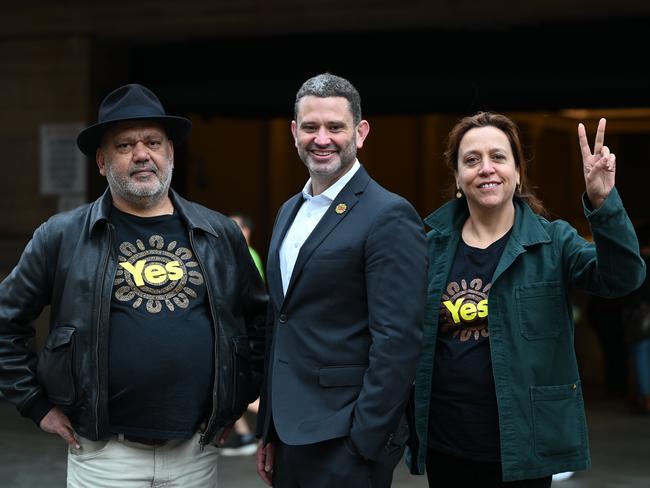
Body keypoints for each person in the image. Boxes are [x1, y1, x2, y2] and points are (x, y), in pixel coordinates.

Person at [0, 83, 267, 487]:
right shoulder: (63, 235)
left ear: (170, 153)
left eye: (153, 142)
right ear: (103, 163)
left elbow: (262, 323)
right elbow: (5, 321)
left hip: (195, 452)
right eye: (124, 146)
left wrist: (235, 404)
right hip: (105, 455)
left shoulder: (218, 232)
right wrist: (36, 404)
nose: (142, 154)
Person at [408, 112, 646, 486]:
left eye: (498, 157)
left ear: (518, 172)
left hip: (525, 446)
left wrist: (604, 203)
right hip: (446, 442)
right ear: (456, 177)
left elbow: (623, 278)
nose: (486, 168)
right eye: (471, 160)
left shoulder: (555, 242)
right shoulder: (429, 249)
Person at [255, 73, 427, 487]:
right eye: (311, 127)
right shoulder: (288, 211)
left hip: (345, 441)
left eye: (335, 127)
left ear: (360, 133)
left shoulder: (389, 214)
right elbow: (281, 322)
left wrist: (364, 440)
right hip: (289, 435)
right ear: (294, 132)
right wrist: (268, 430)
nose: (322, 138)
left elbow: (399, 340)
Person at [221, 213, 264, 456]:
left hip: (241, 329)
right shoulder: (238, 254)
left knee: (238, 388)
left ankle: (277, 415)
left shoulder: (248, 256)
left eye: (235, 227)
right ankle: (245, 435)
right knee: (231, 386)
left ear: (246, 231)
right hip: (237, 327)